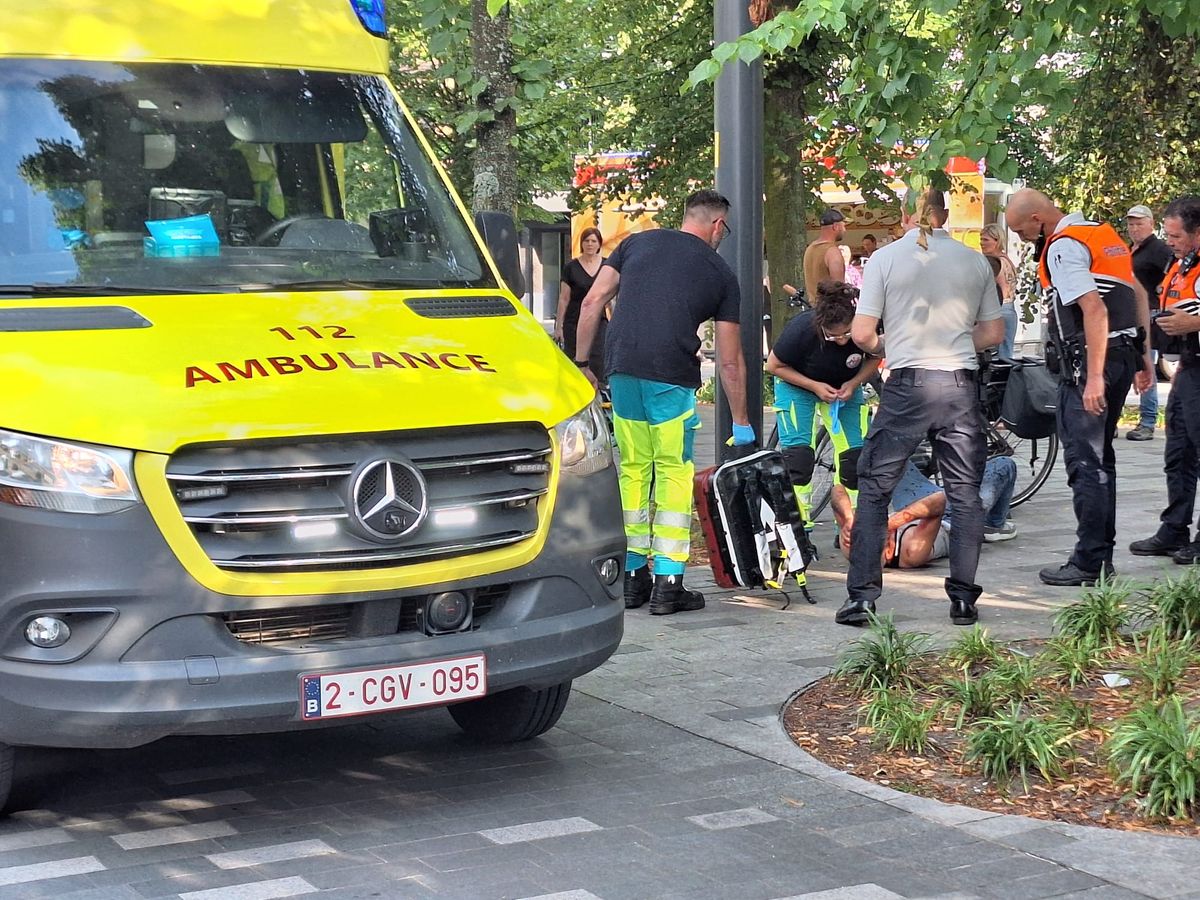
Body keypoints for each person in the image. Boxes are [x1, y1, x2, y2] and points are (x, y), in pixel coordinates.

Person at [574, 190, 753, 615]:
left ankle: (632, 579)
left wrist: (582, 362)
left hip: (622, 370)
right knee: (673, 472)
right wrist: (742, 421)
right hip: (670, 377)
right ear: (717, 225)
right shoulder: (721, 275)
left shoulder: (637, 242)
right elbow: (729, 362)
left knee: (633, 470)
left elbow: (592, 301)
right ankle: (668, 584)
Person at [837, 189, 1004, 627]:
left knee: (875, 488)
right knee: (965, 493)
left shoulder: (885, 259)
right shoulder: (973, 261)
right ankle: (963, 599)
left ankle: (863, 598)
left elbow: (861, 333)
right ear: (945, 214)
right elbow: (991, 332)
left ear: (908, 212)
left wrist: (894, 345)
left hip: (908, 385)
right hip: (958, 386)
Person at [1004, 189, 1154, 586]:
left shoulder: (1062, 247)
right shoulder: (1101, 234)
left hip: (1090, 363)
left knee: (1086, 464)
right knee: (1102, 461)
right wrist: (1142, 356)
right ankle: (1100, 558)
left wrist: (1091, 376)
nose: (1021, 239)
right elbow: (1136, 292)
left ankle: (1089, 562)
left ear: (1038, 219)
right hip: (1121, 356)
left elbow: (1094, 308)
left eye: (1021, 231)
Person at [766, 280, 880, 522]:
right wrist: (814, 386)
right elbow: (774, 366)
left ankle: (851, 523)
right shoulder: (801, 330)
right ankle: (798, 526)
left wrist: (854, 382)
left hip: (844, 388)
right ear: (821, 326)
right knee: (799, 458)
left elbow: (875, 357)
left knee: (854, 458)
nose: (841, 341)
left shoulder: (866, 326)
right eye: (833, 336)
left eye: (847, 334)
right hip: (798, 385)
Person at [1130, 196, 1200, 563]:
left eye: (1176, 235)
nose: (1169, 241)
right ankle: (1174, 529)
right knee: (1178, 454)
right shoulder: (1182, 261)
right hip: (1187, 366)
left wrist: (1195, 323)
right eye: (1167, 234)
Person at [834, 456, 1019, 569]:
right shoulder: (911, 552)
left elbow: (837, 490)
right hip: (957, 516)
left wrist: (849, 520)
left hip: (915, 503)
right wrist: (890, 524)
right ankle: (995, 524)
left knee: (887, 457)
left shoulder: (855, 548)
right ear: (887, 552)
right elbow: (938, 502)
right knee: (1004, 465)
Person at [1124, 204, 1173, 441]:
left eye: (1139, 224)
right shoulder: (1129, 250)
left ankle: (1148, 421)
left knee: (1147, 368)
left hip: (1151, 317)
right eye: (1131, 224)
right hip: (1128, 318)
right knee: (1125, 367)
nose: (1134, 229)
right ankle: (1113, 418)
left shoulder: (1159, 249)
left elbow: (1172, 277)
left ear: (1151, 224)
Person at [555, 227, 608, 380]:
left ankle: (599, 399)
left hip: (599, 322)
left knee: (598, 362)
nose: (590, 244)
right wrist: (559, 327)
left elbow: (611, 298)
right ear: (581, 243)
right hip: (574, 323)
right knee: (576, 364)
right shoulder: (571, 267)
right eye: (587, 241)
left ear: (599, 244)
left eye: (594, 241)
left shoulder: (607, 266)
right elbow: (564, 298)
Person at [980, 224, 1020, 360]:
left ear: (997, 241)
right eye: (981, 239)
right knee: (1006, 357)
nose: (981, 243)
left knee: (991, 359)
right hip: (1010, 310)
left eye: (986, 240)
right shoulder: (1007, 259)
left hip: (998, 309)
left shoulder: (993, 262)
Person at [803, 209, 847, 301]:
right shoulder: (832, 252)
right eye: (843, 226)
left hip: (813, 309)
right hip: (829, 311)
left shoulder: (810, 248)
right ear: (835, 226)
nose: (844, 230)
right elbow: (838, 288)